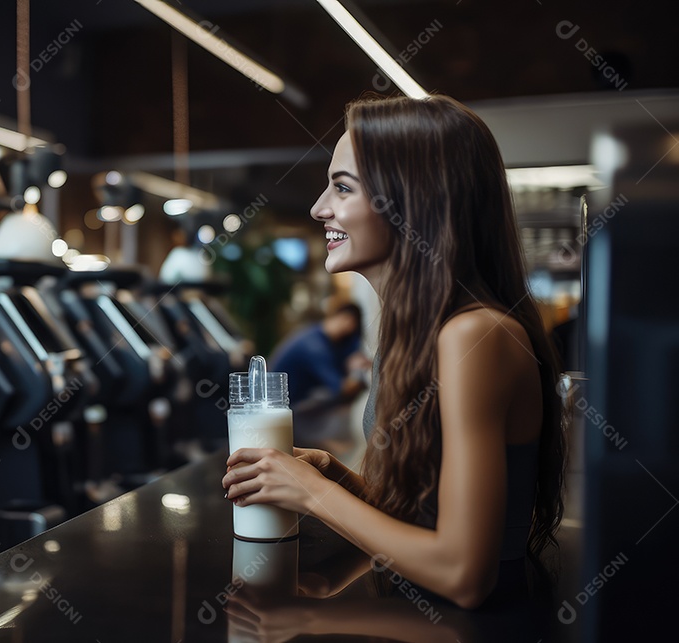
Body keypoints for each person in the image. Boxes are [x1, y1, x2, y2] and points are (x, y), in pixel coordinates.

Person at [223, 95, 567, 609]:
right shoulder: (418, 334)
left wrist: (310, 494)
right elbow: (426, 521)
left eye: (342, 187)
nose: (319, 208)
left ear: (412, 201)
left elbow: (464, 573)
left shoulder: (475, 335)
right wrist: (338, 480)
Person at [271, 302, 370, 413]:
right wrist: (358, 372)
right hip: (283, 408)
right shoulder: (315, 347)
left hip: (289, 402)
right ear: (347, 321)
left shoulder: (317, 334)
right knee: (341, 405)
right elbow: (343, 389)